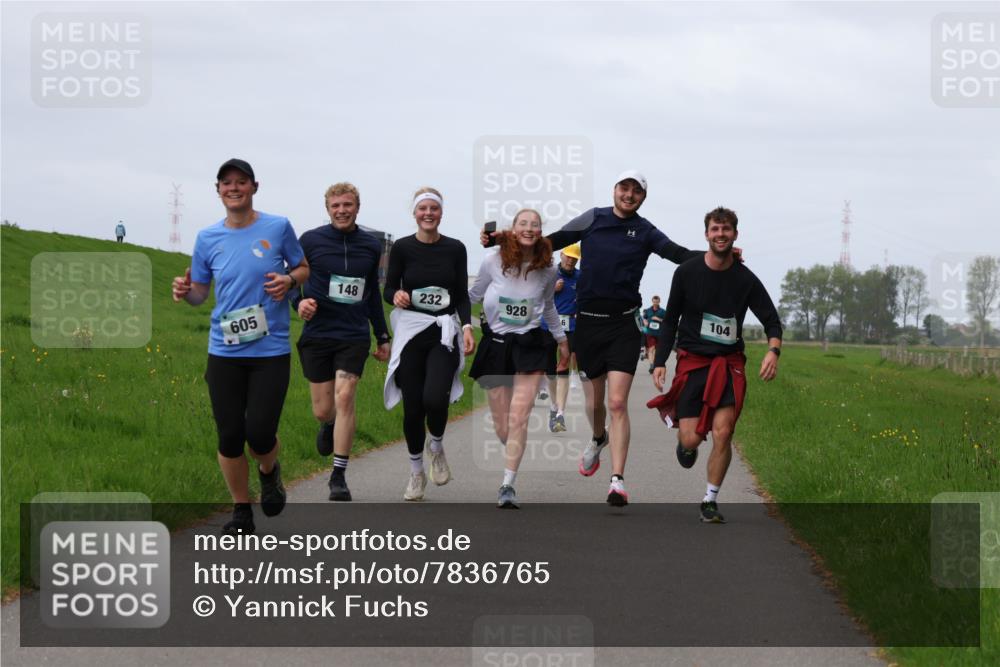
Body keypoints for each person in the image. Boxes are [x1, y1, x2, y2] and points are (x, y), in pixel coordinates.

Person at [483, 170, 714, 506]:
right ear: (615, 190)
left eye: (637, 191)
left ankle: (617, 481)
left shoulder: (646, 230)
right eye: (625, 188)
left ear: (642, 198)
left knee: (617, 403)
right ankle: (597, 437)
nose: (629, 194)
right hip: (589, 324)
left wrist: (716, 256)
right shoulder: (594, 218)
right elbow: (554, 240)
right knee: (595, 403)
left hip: (623, 325)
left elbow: (677, 254)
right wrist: (503, 239)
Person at [171, 158, 308, 534]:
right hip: (225, 350)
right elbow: (200, 293)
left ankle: (269, 470)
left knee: (260, 434)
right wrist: (186, 292)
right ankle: (241, 510)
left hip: (270, 351)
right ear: (218, 191)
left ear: (254, 187)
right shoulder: (207, 238)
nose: (234, 188)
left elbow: (303, 267)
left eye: (241, 182)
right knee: (230, 435)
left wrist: (289, 281)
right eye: (226, 183)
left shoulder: (277, 227)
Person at [650, 207, 782, 523]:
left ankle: (710, 499)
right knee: (691, 439)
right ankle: (687, 444)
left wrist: (773, 351)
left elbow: (771, 320)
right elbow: (670, 322)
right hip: (693, 361)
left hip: (729, 363)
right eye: (715, 229)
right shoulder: (687, 272)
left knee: (724, 433)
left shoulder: (745, 279)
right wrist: (660, 362)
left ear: (735, 234)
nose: (720, 234)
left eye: (726, 229)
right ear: (707, 234)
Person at [291, 182, 391, 502]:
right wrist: (298, 303)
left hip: (353, 335)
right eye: (336, 206)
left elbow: (372, 293)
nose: (342, 210)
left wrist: (383, 335)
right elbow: (291, 279)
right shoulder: (310, 241)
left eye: (347, 205)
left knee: (345, 395)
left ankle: (338, 476)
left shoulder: (371, 245)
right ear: (328, 209)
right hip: (318, 334)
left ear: (357, 207)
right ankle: (328, 424)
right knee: (323, 409)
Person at [469, 209, 570, 508]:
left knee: (519, 416)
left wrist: (562, 341)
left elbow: (549, 306)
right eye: (523, 224)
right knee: (503, 425)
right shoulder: (493, 261)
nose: (529, 229)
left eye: (535, 225)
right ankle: (512, 442)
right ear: (512, 229)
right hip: (497, 344)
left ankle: (507, 484)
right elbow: (472, 296)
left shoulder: (548, 269)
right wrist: (456, 320)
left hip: (531, 345)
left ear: (541, 231)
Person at [383, 187, 475, 501]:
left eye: (433, 209)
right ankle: (415, 473)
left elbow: (461, 294)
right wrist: (396, 294)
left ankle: (435, 446)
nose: (428, 214)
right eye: (423, 209)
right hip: (411, 331)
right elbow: (388, 289)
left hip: (443, 331)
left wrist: (466, 326)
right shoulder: (402, 248)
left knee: (435, 398)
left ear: (441, 213)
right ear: (415, 213)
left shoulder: (455, 248)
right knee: (413, 408)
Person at [540, 243, 581, 432]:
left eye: (575, 258)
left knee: (563, 365)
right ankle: (553, 407)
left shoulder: (580, 277)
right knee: (550, 371)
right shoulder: (549, 274)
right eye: (568, 256)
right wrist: (552, 290)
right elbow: (534, 297)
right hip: (548, 325)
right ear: (562, 255)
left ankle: (560, 414)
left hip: (570, 327)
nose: (571, 260)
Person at [641, 295, 667, 374]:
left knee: (656, 350)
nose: (655, 303)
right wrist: (645, 321)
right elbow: (644, 318)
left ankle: (654, 363)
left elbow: (666, 321)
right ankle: (652, 365)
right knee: (651, 349)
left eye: (657, 301)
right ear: (652, 301)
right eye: (654, 301)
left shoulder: (663, 311)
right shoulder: (648, 310)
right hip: (650, 332)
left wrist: (658, 319)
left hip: (659, 333)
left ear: (659, 301)